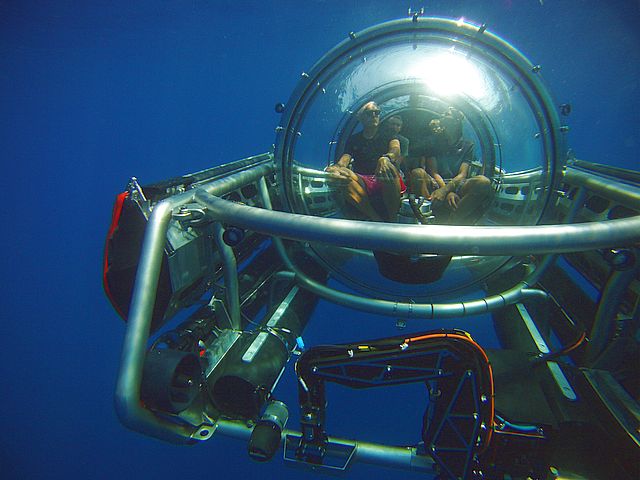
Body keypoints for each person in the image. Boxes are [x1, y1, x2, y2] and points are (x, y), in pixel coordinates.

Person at [326, 101, 405, 222]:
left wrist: (386, 158)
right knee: (343, 175)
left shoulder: (388, 135)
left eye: (376, 112)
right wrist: (336, 168)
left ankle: (393, 218)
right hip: (363, 180)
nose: (374, 115)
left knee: (388, 168)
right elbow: (345, 159)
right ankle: (375, 218)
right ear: (361, 118)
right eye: (369, 113)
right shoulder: (354, 139)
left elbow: (395, 149)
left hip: (385, 178)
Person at [410, 108, 492, 224]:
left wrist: (446, 190)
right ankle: (426, 217)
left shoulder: (468, 145)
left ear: (456, 120)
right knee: (417, 173)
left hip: (457, 185)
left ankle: (453, 221)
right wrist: (445, 191)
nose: (442, 114)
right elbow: (434, 172)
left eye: (446, 113)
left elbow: (462, 174)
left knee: (483, 182)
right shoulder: (434, 141)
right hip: (436, 182)